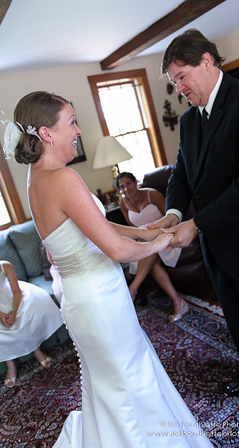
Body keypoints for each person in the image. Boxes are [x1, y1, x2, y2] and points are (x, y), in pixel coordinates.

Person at [7, 91, 213, 447]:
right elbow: (116, 249)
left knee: (112, 380)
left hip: (81, 298)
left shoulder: (36, 178)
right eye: (71, 122)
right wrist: (166, 241)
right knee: (129, 379)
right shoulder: (63, 178)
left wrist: (146, 231)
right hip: (100, 298)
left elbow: (95, 227)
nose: (79, 130)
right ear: (46, 133)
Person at [151, 29, 239, 421]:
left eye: (182, 76)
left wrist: (195, 226)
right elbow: (182, 174)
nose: (179, 87)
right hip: (219, 240)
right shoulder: (189, 122)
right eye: (173, 81)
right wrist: (174, 214)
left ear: (206, 62)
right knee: (237, 315)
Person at [117, 172, 187, 322]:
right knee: (152, 260)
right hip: (145, 239)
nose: (126, 188)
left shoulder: (152, 195)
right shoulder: (123, 204)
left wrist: (156, 234)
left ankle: (133, 288)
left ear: (136, 182)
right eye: (122, 187)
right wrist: (142, 236)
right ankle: (177, 301)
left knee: (149, 249)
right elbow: (132, 226)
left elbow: (171, 216)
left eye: (128, 183)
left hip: (166, 233)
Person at [0, 260, 63, 388]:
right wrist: (1, 315)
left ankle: (36, 349)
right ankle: (10, 364)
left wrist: (14, 309)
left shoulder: (5, 265)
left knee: (26, 315)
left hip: (12, 297)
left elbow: (16, 291)